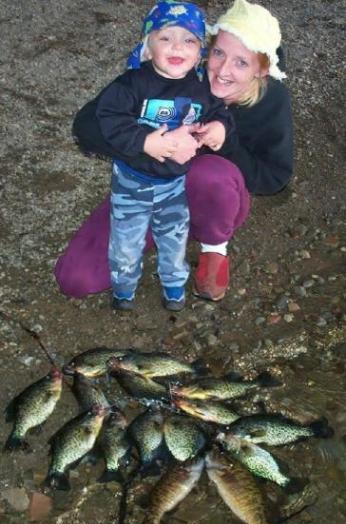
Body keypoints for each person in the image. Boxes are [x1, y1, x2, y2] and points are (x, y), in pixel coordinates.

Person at [54, 0, 293, 304]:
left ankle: (213, 249)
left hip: (216, 197)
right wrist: (149, 144)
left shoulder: (270, 101)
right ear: (206, 47)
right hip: (146, 188)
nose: (221, 71)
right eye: (218, 53)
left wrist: (222, 142)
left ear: (262, 71)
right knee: (75, 279)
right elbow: (86, 126)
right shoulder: (173, 70)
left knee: (208, 173)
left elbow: (275, 177)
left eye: (241, 63)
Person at [92, 1, 234, 312]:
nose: (177, 47)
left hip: (174, 185)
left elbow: (221, 112)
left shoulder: (201, 89)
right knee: (126, 243)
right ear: (147, 46)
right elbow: (109, 117)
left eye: (189, 40)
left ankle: (173, 285)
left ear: (200, 54)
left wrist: (219, 128)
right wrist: (144, 141)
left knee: (174, 237)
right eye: (165, 38)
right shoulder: (132, 84)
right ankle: (124, 288)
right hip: (132, 183)